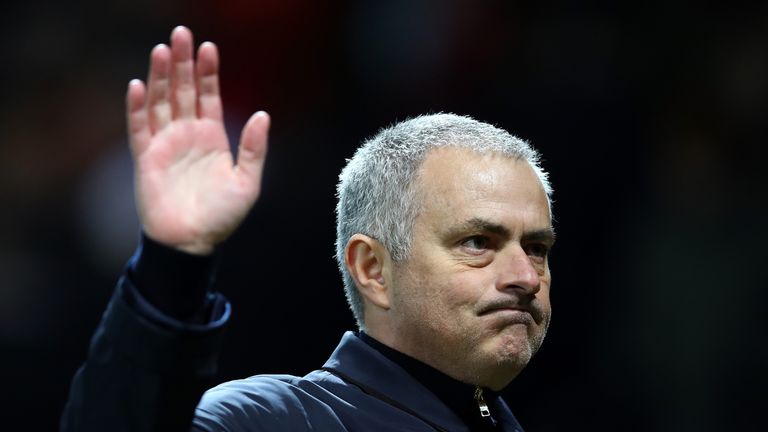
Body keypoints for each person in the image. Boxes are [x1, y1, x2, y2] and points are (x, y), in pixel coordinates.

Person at [62, 26, 555, 432]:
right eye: (477, 242)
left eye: (536, 248)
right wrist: (174, 261)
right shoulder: (270, 420)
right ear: (373, 269)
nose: (526, 276)